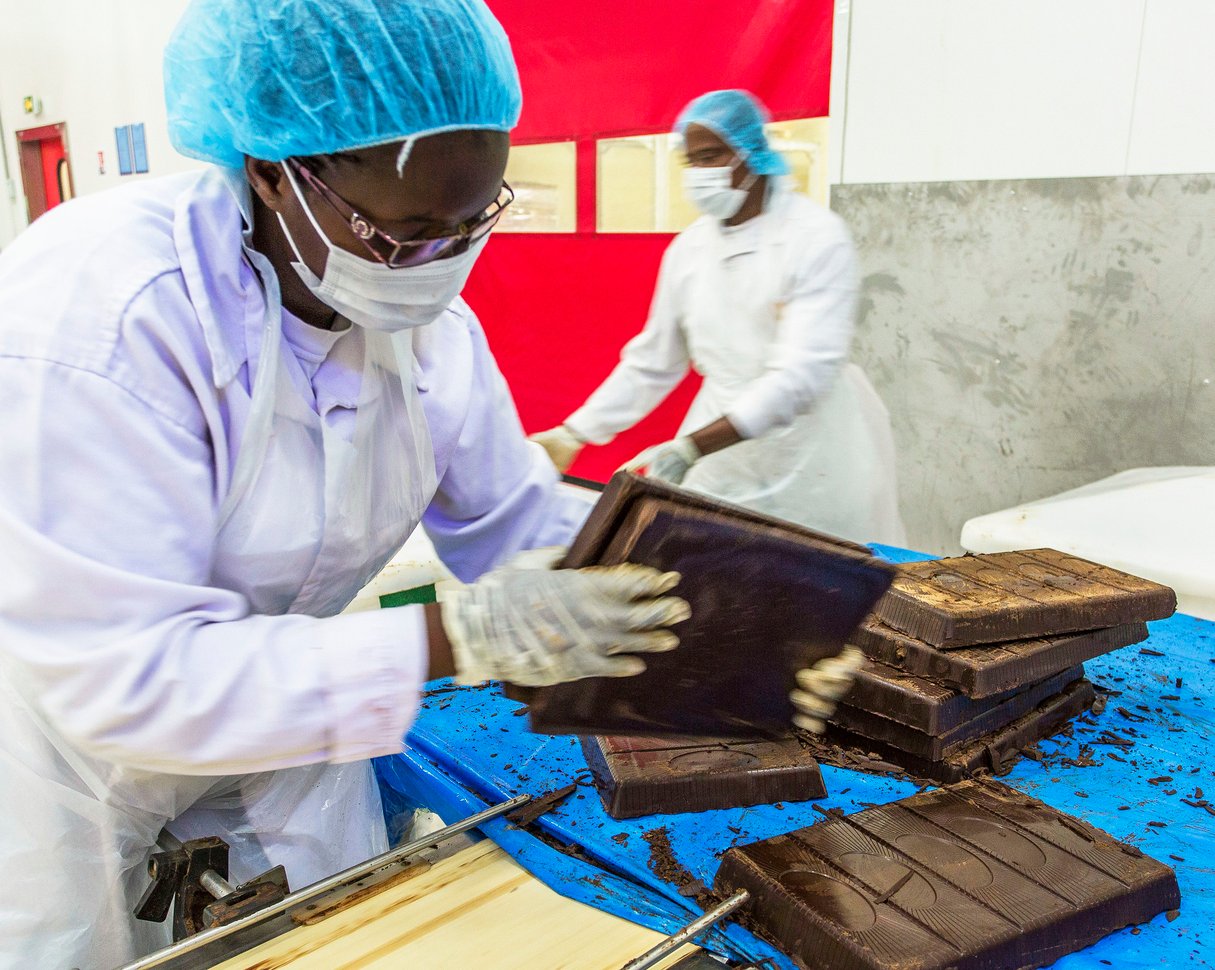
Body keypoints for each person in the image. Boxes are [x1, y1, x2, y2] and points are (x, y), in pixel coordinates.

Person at [0, 9, 856, 967]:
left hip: (290, 738)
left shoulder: (426, 328)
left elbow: (519, 520)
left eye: (471, 223)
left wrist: (737, 611)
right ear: (279, 171)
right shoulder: (105, 318)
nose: (440, 267)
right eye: (405, 231)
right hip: (71, 778)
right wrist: (470, 635)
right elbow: (128, 678)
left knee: (338, 943)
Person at [533, 90, 906, 546]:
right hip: (722, 450)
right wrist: (576, 432)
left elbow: (801, 376)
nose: (700, 175)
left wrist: (693, 445)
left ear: (751, 152)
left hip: (810, 454)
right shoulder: (690, 250)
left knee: (814, 580)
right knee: (710, 574)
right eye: (692, 162)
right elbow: (654, 361)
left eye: (711, 156)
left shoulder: (814, 237)